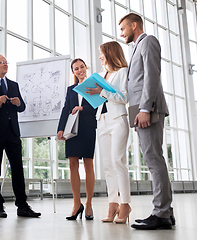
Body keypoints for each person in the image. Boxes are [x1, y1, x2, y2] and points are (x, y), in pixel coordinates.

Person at [119, 13, 174, 230]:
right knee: (153, 158)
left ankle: (161, 213)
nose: (121, 33)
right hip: (140, 110)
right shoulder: (135, 48)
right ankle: (166, 212)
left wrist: (144, 109)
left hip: (148, 109)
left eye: (123, 28)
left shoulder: (148, 41)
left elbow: (152, 75)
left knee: (154, 159)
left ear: (134, 25)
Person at [0, 54, 41, 218]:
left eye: (6, 63)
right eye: (1, 63)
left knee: (18, 170)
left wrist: (19, 104)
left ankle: (22, 206)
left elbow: (22, 106)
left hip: (12, 132)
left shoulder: (14, 85)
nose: (5, 65)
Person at [86, 41, 131, 223]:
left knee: (118, 162)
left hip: (117, 120)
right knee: (107, 165)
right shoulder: (103, 74)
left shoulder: (122, 72)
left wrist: (102, 91)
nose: (99, 57)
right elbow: (102, 98)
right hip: (102, 120)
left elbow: (124, 98)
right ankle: (113, 203)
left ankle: (125, 204)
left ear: (110, 53)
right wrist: (94, 94)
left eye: (102, 53)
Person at [57, 58, 105, 220]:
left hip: (87, 126)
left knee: (88, 164)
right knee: (72, 164)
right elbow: (65, 108)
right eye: (76, 69)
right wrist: (60, 128)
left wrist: (82, 107)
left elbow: (100, 106)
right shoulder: (71, 89)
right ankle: (77, 204)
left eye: (82, 67)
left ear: (86, 68)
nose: (80, 70)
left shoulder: (93, 85)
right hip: (72, 128)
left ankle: (89, 204)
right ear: (73, 72)